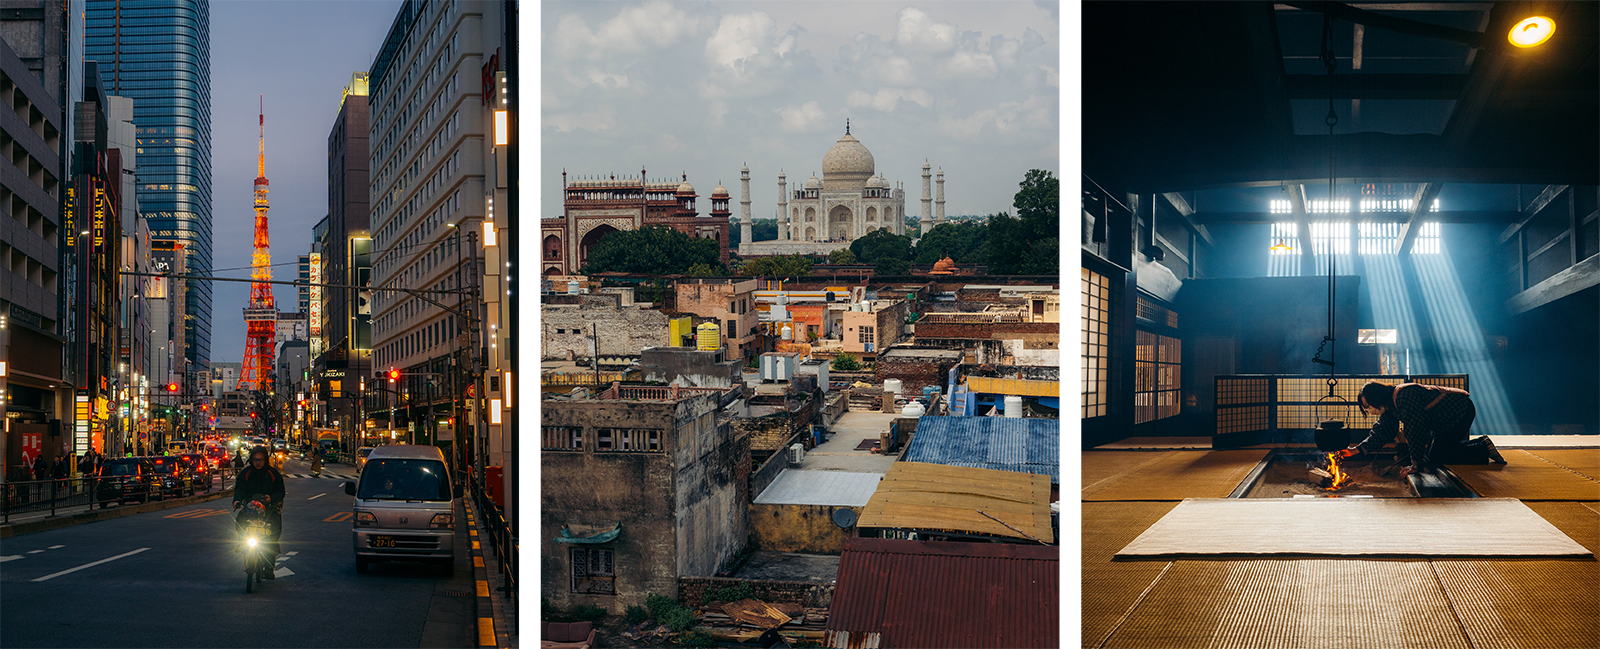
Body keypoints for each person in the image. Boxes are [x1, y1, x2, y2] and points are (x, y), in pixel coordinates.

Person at [1338, 381, 1481, 477]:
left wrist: (1415, 465)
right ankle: (1477, 446)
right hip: (1441, 420)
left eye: (1368, 405)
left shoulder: (1403, 396)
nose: (1368, 410)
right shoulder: (1390, 406)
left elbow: (1415, 428)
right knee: (1434, 454)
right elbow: (1383, 431)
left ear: (1377, 397)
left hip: (1459, 412)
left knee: (1436, 457)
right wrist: (1356, 449)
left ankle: (1482, 448)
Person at [232, 446, 286, 578]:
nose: (258, 462)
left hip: (269, 508)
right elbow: (239, 488)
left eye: (261, 460)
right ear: (251, 460)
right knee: (240, 520)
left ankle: (269, 566)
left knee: (272, 532)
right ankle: (242, 543)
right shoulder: (246, 473)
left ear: (265, 460)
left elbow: (280, 491)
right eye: (255, 459)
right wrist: (237, 500)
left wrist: (271, 499)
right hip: (250, 508)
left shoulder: (273, 473)